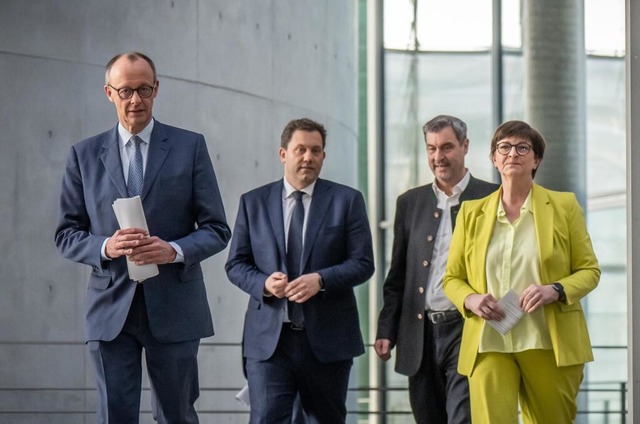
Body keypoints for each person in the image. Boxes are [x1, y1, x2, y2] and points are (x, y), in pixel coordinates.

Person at [54, 51, 231, 423]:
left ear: (156, 89)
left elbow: (217, 228)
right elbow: (67, 234)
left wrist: (175, 250)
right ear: (109, 93)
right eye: (126, 91)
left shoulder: (190, 147)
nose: (135, 100)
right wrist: (106, 245)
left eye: (144, 89)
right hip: (110, 309)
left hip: (176, 307)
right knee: (115, 416)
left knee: (177, 416)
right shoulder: (83, 156)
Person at [443, 120, 600, 423]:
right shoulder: (471, 213)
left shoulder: (564, 206)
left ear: (536, 159)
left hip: (547, 341)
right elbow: (452, 278)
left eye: (522, 147)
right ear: (494, 158)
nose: (512, 153)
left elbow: (589, 270)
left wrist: (554, 290)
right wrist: (471, 299)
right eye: (504, 147)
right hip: (489, 341)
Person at [225, 117, 374, 424]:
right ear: (283, 154)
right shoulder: (253, 202)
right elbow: (235, 264)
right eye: (301, 149)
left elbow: (363, 264)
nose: (308, 157)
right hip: (270, 342)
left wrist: (320, 280)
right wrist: (264, 283)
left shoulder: (346, 201)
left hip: (328, 341)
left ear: (323, 156)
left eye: (316, 151)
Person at [374, 115, 498, 423]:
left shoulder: (491, 198)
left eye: (446, 147)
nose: (438, 157)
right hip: (419, 333)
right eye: (431, 149)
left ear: (465, 146)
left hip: (467, 329)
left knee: (462, 417)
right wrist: (386, 329)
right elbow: (398, 276)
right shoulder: (410, 202)